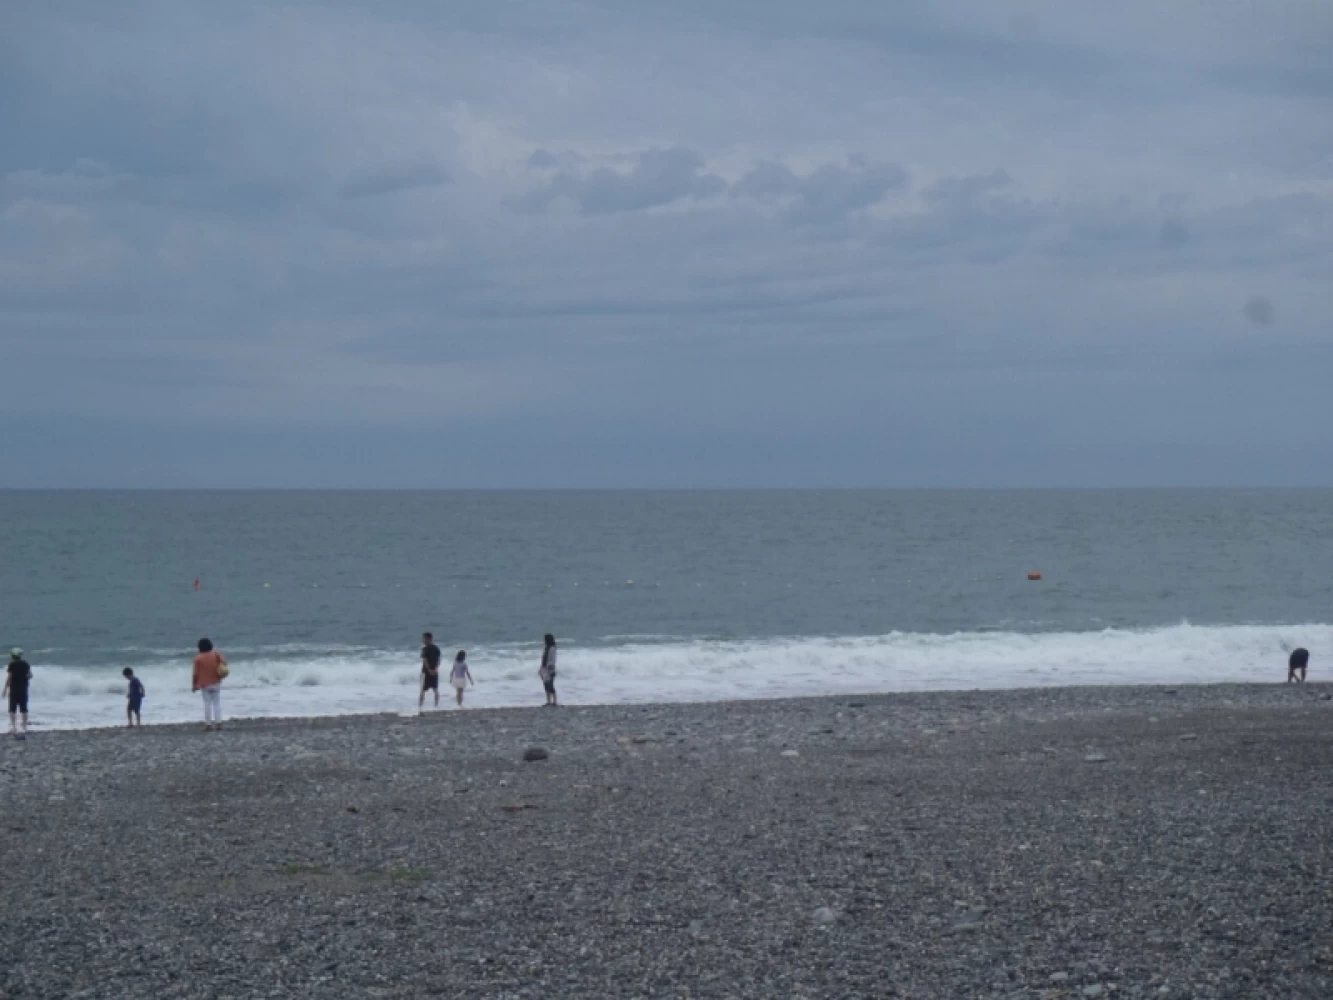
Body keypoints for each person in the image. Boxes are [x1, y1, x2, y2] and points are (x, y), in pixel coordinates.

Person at [192, 638, 228, 731]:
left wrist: (194, 685)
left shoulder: (198, 658)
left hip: (204, 684)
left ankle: (208, 724)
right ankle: (218, 723)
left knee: (207, 704)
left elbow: (195, 674)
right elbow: (225, 663)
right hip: (216, 682)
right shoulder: (216, 654)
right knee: (216, 703)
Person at [4, 648, 32, 740]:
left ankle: (14, 727)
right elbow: (30, 675)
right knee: (24, 708)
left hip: (14, 689)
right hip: (23, 688)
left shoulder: (12, 665)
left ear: (13, 656)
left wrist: (5, 689)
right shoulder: (25, 664)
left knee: (12, 708)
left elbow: (9, 678)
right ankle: (24, 727)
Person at [419, 632, 442, 708]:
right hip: (434, 672)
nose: (424, 641)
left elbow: (425, 660)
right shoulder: (436, 648)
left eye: (424, 639)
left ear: (429, 639)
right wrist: (436, 668)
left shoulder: (425, 649)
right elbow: (439, 660)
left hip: (425, 672)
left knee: (422, 690)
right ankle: (436, 706)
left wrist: (429, 670)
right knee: (435, 689)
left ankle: (420, 706)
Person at [539, 634, 558, 707]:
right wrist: (541, 668)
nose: (543, 641)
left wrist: (549, 666)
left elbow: (552, 659)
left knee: (550, 686)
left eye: (544, 639)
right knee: (546, 686)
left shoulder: (552, 648)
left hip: (550, 669)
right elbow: (544, 659)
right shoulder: (546, 648)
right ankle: (549, 701)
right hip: (544, 669)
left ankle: (555, 702)